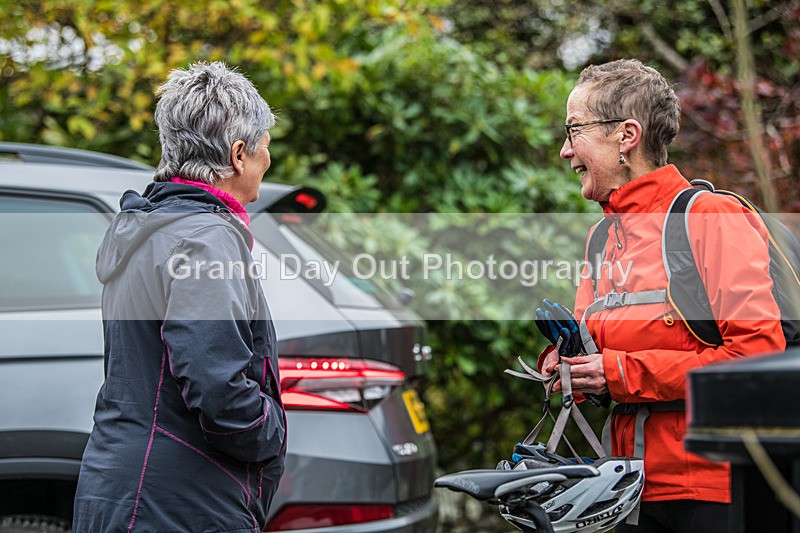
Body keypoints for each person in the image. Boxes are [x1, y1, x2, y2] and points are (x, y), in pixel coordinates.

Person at [539, 59, 785, 532]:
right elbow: (597, 354)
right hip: (626, 486)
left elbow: (756, 358)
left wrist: (618, 373)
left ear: (626, 136)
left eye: (574, 130)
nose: (566, 151)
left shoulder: (710, 218)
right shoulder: (601, 238)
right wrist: (568, 367)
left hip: (710, 488)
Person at [73, 62, 287, 532]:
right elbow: (217, 385)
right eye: (265, 147)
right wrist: (271, 433)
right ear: (238, 155)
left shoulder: (149, 230)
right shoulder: (206, 238)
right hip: (180, 503)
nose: (268, 161)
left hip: (120, 489)